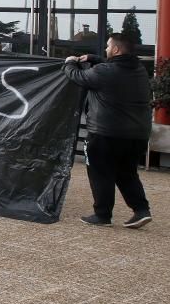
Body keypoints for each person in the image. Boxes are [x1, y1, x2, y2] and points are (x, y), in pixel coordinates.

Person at [63, 33, 152, 228]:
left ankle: (102, 215)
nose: (105, 49)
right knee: (127, 173)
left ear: (117, 50)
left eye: (108, 46)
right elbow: (114, 67)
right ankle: (141, 210)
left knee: (100, 172)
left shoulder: (104, 72)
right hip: (137, 135)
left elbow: (77, 76)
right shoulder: (139, 70)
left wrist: (69, 63)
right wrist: (94, 59)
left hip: (105, 133)